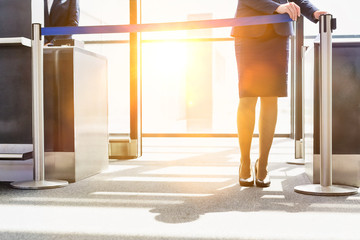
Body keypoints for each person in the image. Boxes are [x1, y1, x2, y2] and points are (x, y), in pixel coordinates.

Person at [232, 0, 326, 187]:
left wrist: (314, 12)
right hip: (249, 31)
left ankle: (263, 165)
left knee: (270, 98)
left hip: (277, 34)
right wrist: (277, 7)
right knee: (247, 97)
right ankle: (244, 162)